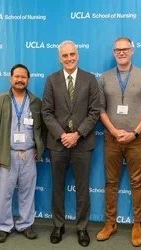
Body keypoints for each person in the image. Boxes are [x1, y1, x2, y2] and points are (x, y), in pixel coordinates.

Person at [97, 37, 141, 247]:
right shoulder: (104, 78)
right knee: (110, 183)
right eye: (117, 50)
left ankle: (137, 224)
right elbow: (100, 109)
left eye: (125, 49)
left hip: (136, 140)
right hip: (111, 139)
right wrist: (113, 131)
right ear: (114, 53)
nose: (121, 53)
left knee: (137, 182)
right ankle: (110, 223)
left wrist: (135, 133)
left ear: (132, 50)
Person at [42, 40, 100, 247]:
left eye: (72, 54)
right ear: (60, 58)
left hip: (83, 144)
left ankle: (82, 228)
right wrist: (62, 135)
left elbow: (95, 112)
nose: (69, 58)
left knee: (82, 188)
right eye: (65, 55)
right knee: (57, 187)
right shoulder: (51, 80)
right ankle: (58, 225)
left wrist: (77, 134)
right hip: (57, 144)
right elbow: (46, 112)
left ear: (78, 55)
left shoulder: (90, 79)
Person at [0, 64, 46, 243]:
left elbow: (42, 129)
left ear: (28, 80)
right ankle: (3, 226)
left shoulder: (36, 102)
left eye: (23, 77)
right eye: (16, 76)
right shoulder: (0, 101)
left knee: (27, 193)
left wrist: (39, 148)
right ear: (10, 78)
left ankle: (25, 224)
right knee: (4, 194)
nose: (20, 80)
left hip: (28, 155)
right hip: (6, 155)